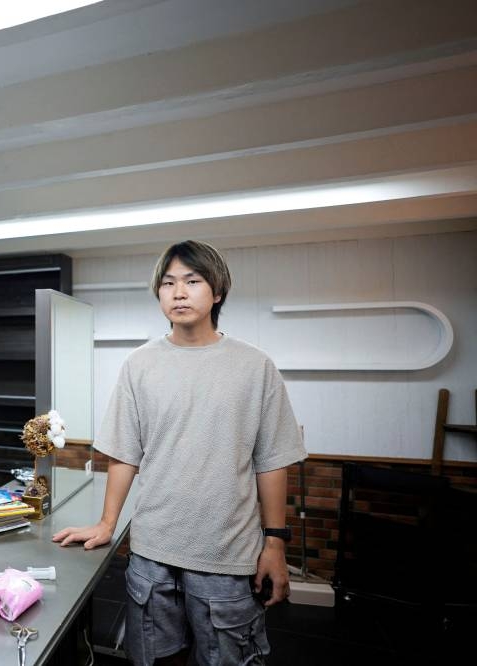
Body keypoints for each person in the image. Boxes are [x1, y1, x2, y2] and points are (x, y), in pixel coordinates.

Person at [53, 240, 306, 665]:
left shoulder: (254, 366)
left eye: (192, 281)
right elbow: (125, 454)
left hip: (228, 557)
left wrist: (275, 544)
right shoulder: (139, 364)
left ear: (218, 291)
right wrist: (107, 523)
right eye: (168, 283)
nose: (179, 292)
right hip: (152, 554)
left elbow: (272, 461)